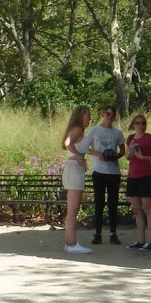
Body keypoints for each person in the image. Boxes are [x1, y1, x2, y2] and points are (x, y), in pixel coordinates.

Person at [81, 105, 125, 245]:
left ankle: (113, 233)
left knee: (113, 204)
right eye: (108, 114)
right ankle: (98, 233)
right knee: (99, 203)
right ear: (102, 114)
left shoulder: (117, 133)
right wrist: (97, 154)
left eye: (113, 115)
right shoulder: (94, 131)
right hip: (99, 171)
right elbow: (84, 147)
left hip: (113, 172)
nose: (110, 117)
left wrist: (116, 156)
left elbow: (122, 150)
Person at [124, 112, 151, 251]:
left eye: (143, 123)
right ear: (133, 125)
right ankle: (141, 240)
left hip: (145, 176)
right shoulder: (130, 138)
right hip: (132, 176)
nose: (140, 125)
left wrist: (143, 157)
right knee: (137, 209)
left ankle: (150, 241)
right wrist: (129, 155)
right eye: (138, 123)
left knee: (147, 208)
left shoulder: (149, 138)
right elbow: (128, 157)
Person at [61, 105, 92, 254]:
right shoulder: (77, 129)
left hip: (74, 169)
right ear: (81, 116)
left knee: (73, 209)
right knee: (73, 210)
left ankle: (70, 243)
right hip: (74, 169)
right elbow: (67, 143)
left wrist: (96, 154)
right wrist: (78, 156)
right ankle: (71, 244)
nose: (90, 118)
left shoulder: (78, 130)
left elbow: (74, 145)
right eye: (88, 115)